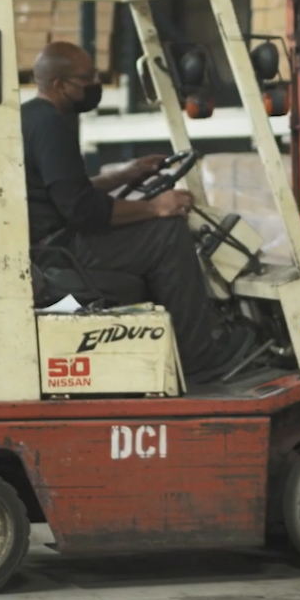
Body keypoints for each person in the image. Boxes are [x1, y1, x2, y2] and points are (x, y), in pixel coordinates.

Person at [21, 41, 254, 385]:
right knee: (167, 232)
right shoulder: (52, 126)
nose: (94, 83)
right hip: (61, 250)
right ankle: (200, 356)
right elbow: (82, 210)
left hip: (51, 240)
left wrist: (124, 175)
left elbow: (65, 190)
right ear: (59, 85)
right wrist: (156, 207)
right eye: (87, 78)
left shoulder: (30, 117)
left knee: (155, 223)